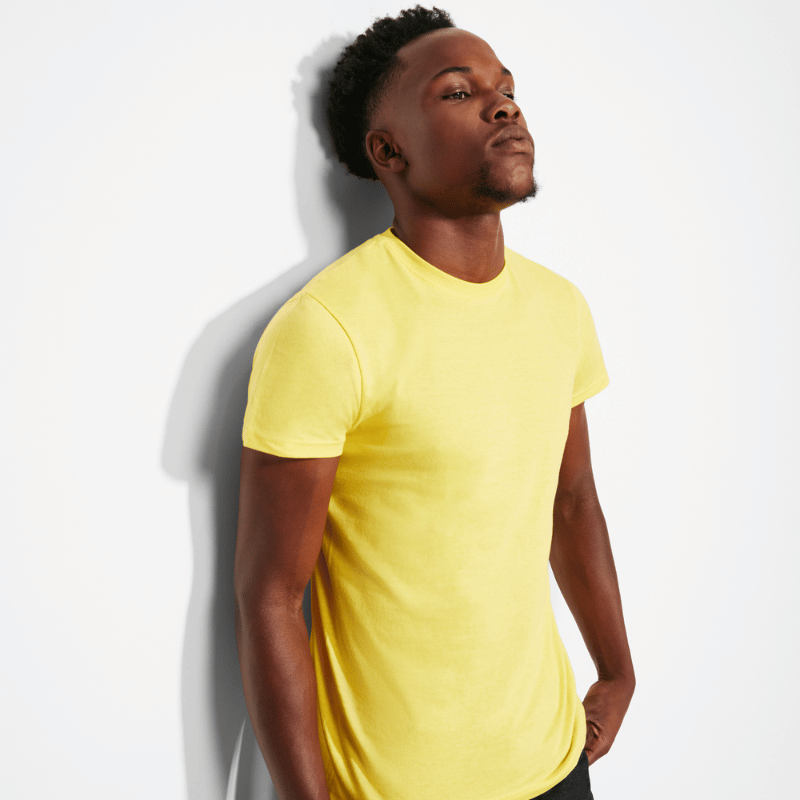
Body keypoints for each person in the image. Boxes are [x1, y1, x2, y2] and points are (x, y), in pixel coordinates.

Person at [234, 6, 635, 800]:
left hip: (554, 760)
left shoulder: (559, 308)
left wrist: (618, 671)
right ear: (389, 151)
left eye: (506, 89)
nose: (503, 107)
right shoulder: (328, 328)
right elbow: (271, 594)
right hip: (398, 784)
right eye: (458, 93)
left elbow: (572, 498)